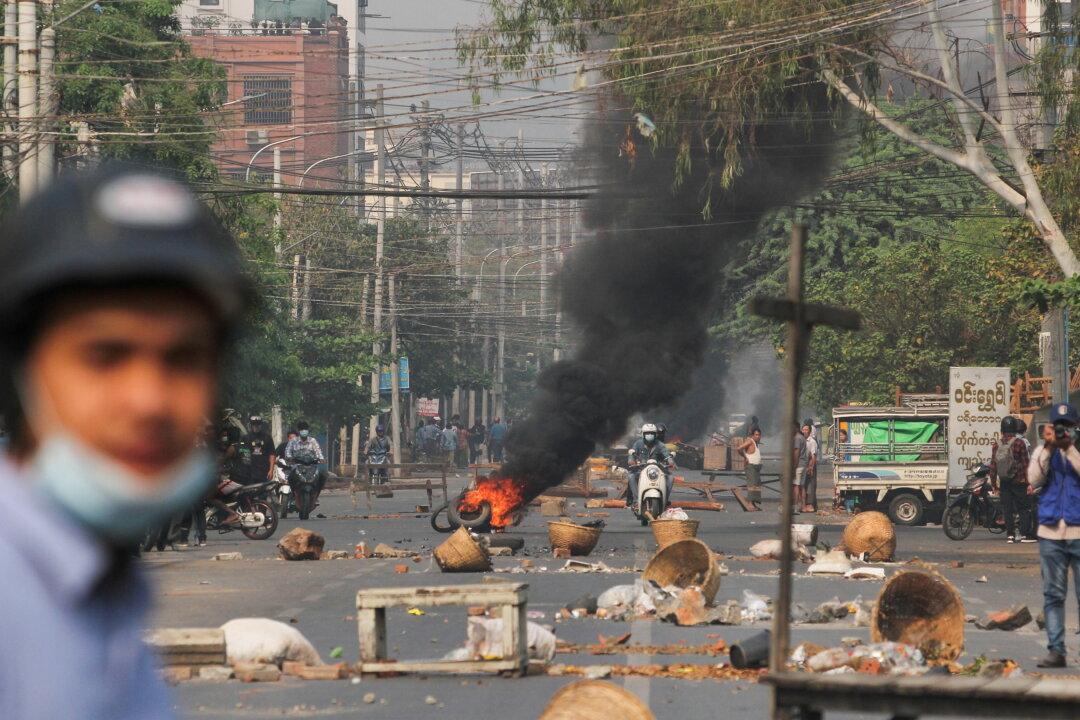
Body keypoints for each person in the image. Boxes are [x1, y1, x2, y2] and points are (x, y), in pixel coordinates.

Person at [0, 167, 251, 719]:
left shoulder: (105, 587)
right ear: (22, 369)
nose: (149, 401)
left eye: (183, 358)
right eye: (105, 355)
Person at [1027, 403, 1080, 668]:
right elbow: (1034, 479)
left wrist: (1069, 448)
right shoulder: (1042, 451)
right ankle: (1056, 651)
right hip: (1050, 531)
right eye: (1058, 426)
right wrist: (1048, 449)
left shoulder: (1076, 450)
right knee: (1053, 594)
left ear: (1076, 427)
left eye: (1067, 426)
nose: (1062, 431)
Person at [992, 416, 1034, 544]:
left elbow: (993, 466)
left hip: (1004, 482)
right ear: (1015, 429)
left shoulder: (996, 444)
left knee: (1007, 509)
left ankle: (1010, 535)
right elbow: (1026, 464)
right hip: (1019, 481)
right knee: (1023, 508)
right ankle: (1023, 535)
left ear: (1002, 430)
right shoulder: (1019, 443)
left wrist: (994, 485)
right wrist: (1029, 482)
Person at [627, 422, 675, 513]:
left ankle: (665, 499)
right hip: (641, 469)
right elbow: (632, 454)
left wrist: (670, 461)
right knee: (631, 476)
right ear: (643, 434)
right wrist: (631, 459)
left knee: (670, 477)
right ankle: (636, 501)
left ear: (655, 434)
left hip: (658, 469)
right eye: (647, 433)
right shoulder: (638, 443)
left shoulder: (660, 445)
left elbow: (667, 455)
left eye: (652, 433)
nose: (649, 435)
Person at [285, 420, 327, 500]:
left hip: (311, 466)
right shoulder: (293, 441)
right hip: (297, 465)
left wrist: (321, 459)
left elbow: (318, 451)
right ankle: (294, 494)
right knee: (290, 477)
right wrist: (289, 457)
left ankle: (316, 495)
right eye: (302, 429)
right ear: (299, 431)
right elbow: (288, 451)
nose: (304, 431)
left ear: (308, 430)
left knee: (323, 475)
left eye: (305, 429)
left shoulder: (313, 441)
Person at [239, 414, 276, 486]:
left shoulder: (267, 438)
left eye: (258, 424)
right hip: (249, 472)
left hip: (263, 471)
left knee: (263, 492)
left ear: (261, 424)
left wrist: (271, 470)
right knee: (249, 491)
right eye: (254, 424)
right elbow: (241, 454)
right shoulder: (245, 438)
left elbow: (272, 454)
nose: (256, 426)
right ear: (251, 425)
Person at [737, 427, 763, 508]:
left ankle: (753, 503)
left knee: (756, 485)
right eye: (756, 435)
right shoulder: (750, 441)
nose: (758, 436)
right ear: (752, 435)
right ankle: (750, 503)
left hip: (756, 467)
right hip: (751, 466)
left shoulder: (756, 443)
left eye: (759, 435)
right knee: (752, 485)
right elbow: (739, 448)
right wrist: (745, 457)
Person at [792, 423, 810, 513]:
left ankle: (795, 507)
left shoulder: (797, 438)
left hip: (798, 465)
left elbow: (797, 451)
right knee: (802, 487)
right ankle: (803, 506)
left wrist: (794, 466)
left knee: (796, 486)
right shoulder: (802, 437)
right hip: (803, 464)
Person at [802, 422, 819, 513]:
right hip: (803, 466)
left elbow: (813, 456)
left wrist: (811, 467)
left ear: (809, 431)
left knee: (811, 486)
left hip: (810, 466)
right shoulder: (802, 440)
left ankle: (811, 504)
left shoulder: (812, 441)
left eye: (806, 430)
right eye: (803, 429)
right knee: (804, 485)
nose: (805, 431)